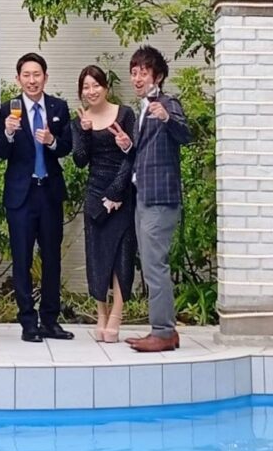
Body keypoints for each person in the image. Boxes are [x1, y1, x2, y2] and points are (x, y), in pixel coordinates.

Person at [0, 53, 73, 342]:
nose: (32, 80)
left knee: (52, 258)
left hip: (49, 193)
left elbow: (67, 146)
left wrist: (52, 141)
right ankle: (28, 321)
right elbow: (0, 152)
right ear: (18, 79)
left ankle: (50, 320)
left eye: (37, 74)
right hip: (21, 195)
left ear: (45, 77)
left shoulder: (58, 107)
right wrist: (8, 132)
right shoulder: (9, 108)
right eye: (26, 75)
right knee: (22, 259)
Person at [125, 45, 192, 353]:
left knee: (155, 265)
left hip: (161, 198)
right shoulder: (143, 109)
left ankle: (163, 332)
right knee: (150, 263)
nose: (137, 78)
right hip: (144, 195)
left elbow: (185, 134)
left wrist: (167, 118)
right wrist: (127, 145)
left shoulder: (167, 103)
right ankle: (165, 331)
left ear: (158, 76)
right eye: (134, 72)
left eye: (144, 73)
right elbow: (147, 151)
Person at [72, 65, 137, 343]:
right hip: (95, 193)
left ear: (105, 87)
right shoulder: (79, 120)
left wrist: (116, 193)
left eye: (96, 85)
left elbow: (133, 155)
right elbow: (80, 160)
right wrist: (85, 132)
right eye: (86, 87)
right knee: (97, 255)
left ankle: (117, 316)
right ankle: (101, 313)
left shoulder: (125, 114)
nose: (91, 91)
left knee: (122, 254)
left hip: (122, 193)